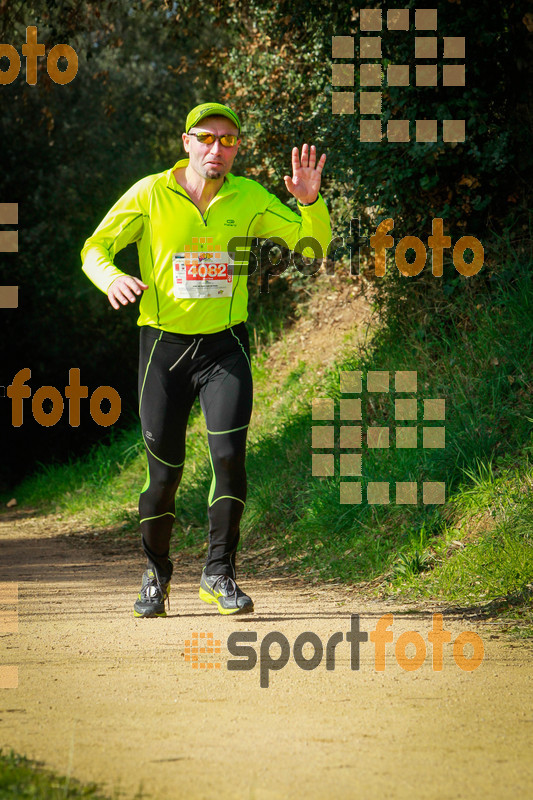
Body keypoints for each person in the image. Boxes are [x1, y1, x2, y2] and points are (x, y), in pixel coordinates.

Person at [81, 101, 331, 617]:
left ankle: (219, 574)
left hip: (225, 348)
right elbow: (94, 247)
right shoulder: (151, 193)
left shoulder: (249, 197)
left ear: (237, 148)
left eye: (229, 140)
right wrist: (112, 278)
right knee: (164, 476)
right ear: (186, 141)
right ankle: (156, 574)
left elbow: (312, 246)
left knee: (227, 460)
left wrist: (310, 204)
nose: (218, 148)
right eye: (207, 138)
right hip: (163, 349)